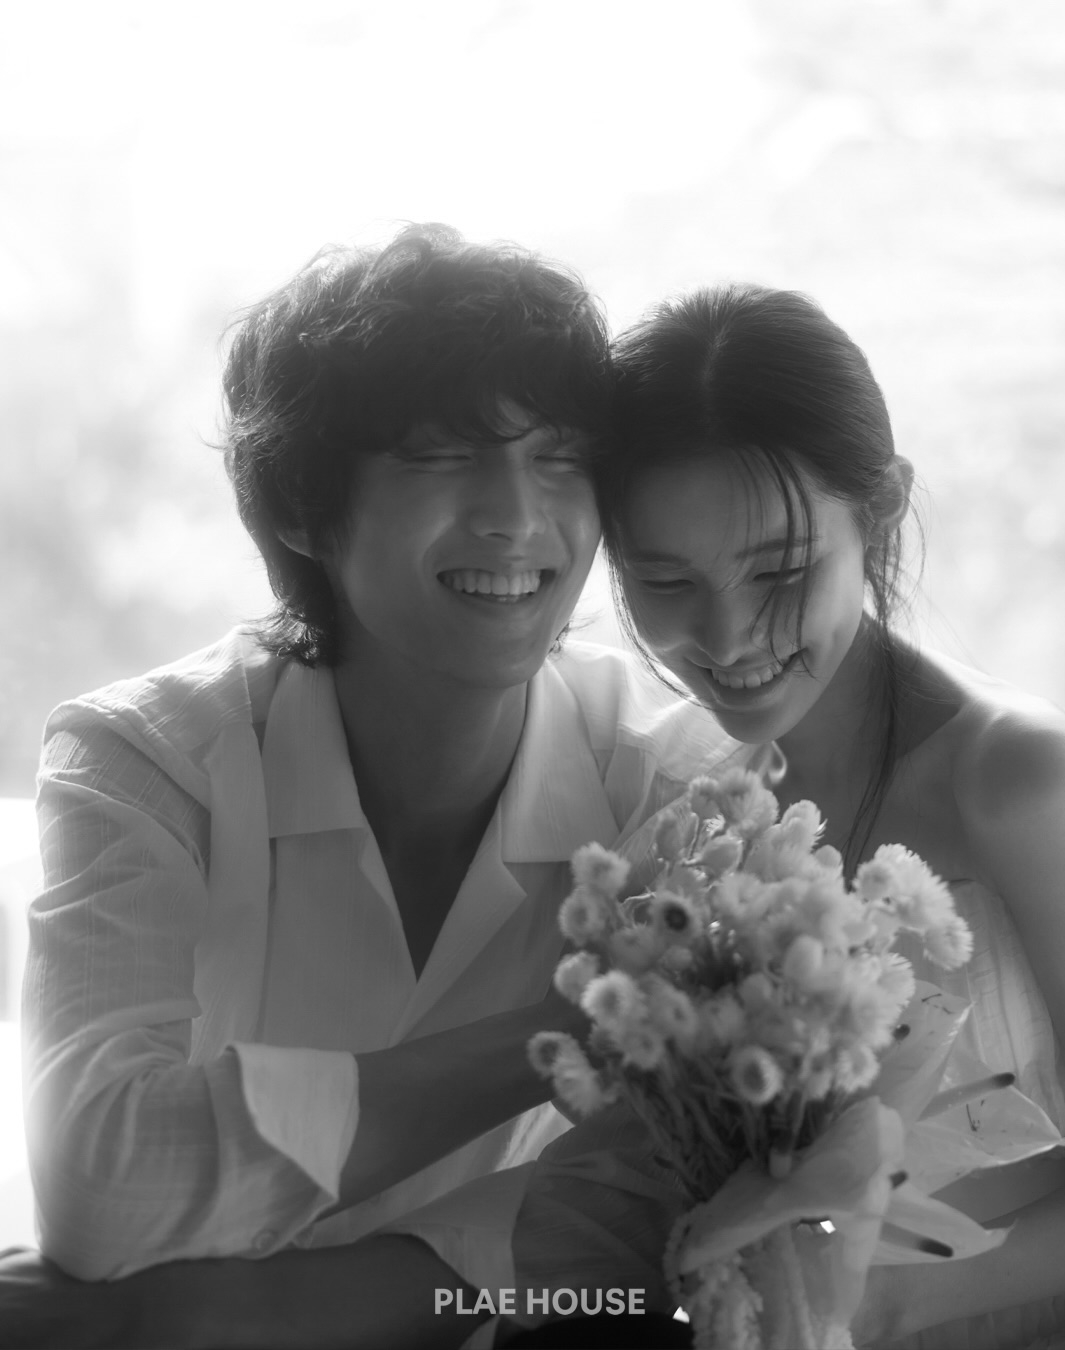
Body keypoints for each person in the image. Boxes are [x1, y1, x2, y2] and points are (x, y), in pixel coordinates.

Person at [17, 225, 742, 1342]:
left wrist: (269, 1307)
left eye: (559, 458)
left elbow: (673, 1200)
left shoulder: (674, 781)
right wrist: (568, 1035)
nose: (516, 516)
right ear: (303, 509)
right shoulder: (143, 759)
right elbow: (99, 1187)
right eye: (439, 456)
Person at [596, 281, 1065, 1348]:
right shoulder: (685, 809)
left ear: (883, 509)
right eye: (664, 580)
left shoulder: (1014, 780)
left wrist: (884, 1303)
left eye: (779, 571)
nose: (729, 636)